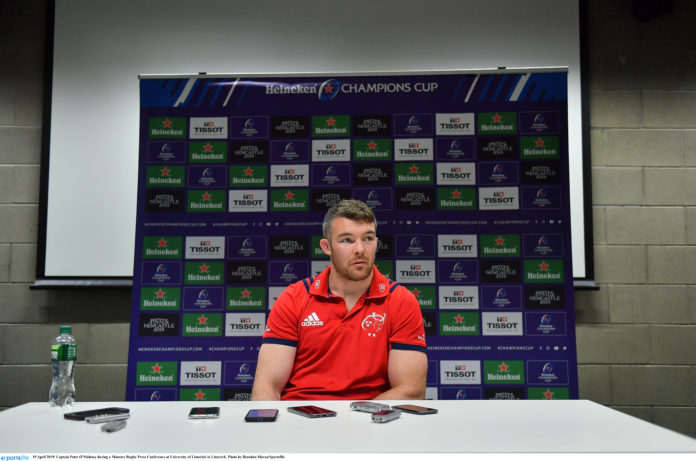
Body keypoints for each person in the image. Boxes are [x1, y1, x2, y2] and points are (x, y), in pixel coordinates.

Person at [251, 199, 427, 400]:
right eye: (347, 240)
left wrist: (353, 424)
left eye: (368, 238)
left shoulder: (401, 301)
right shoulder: (293, 298)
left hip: (368, 421)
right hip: (300, 421)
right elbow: (267, 387)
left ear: (376, 243)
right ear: (327, 247)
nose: (360, 249)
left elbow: (411, 390)